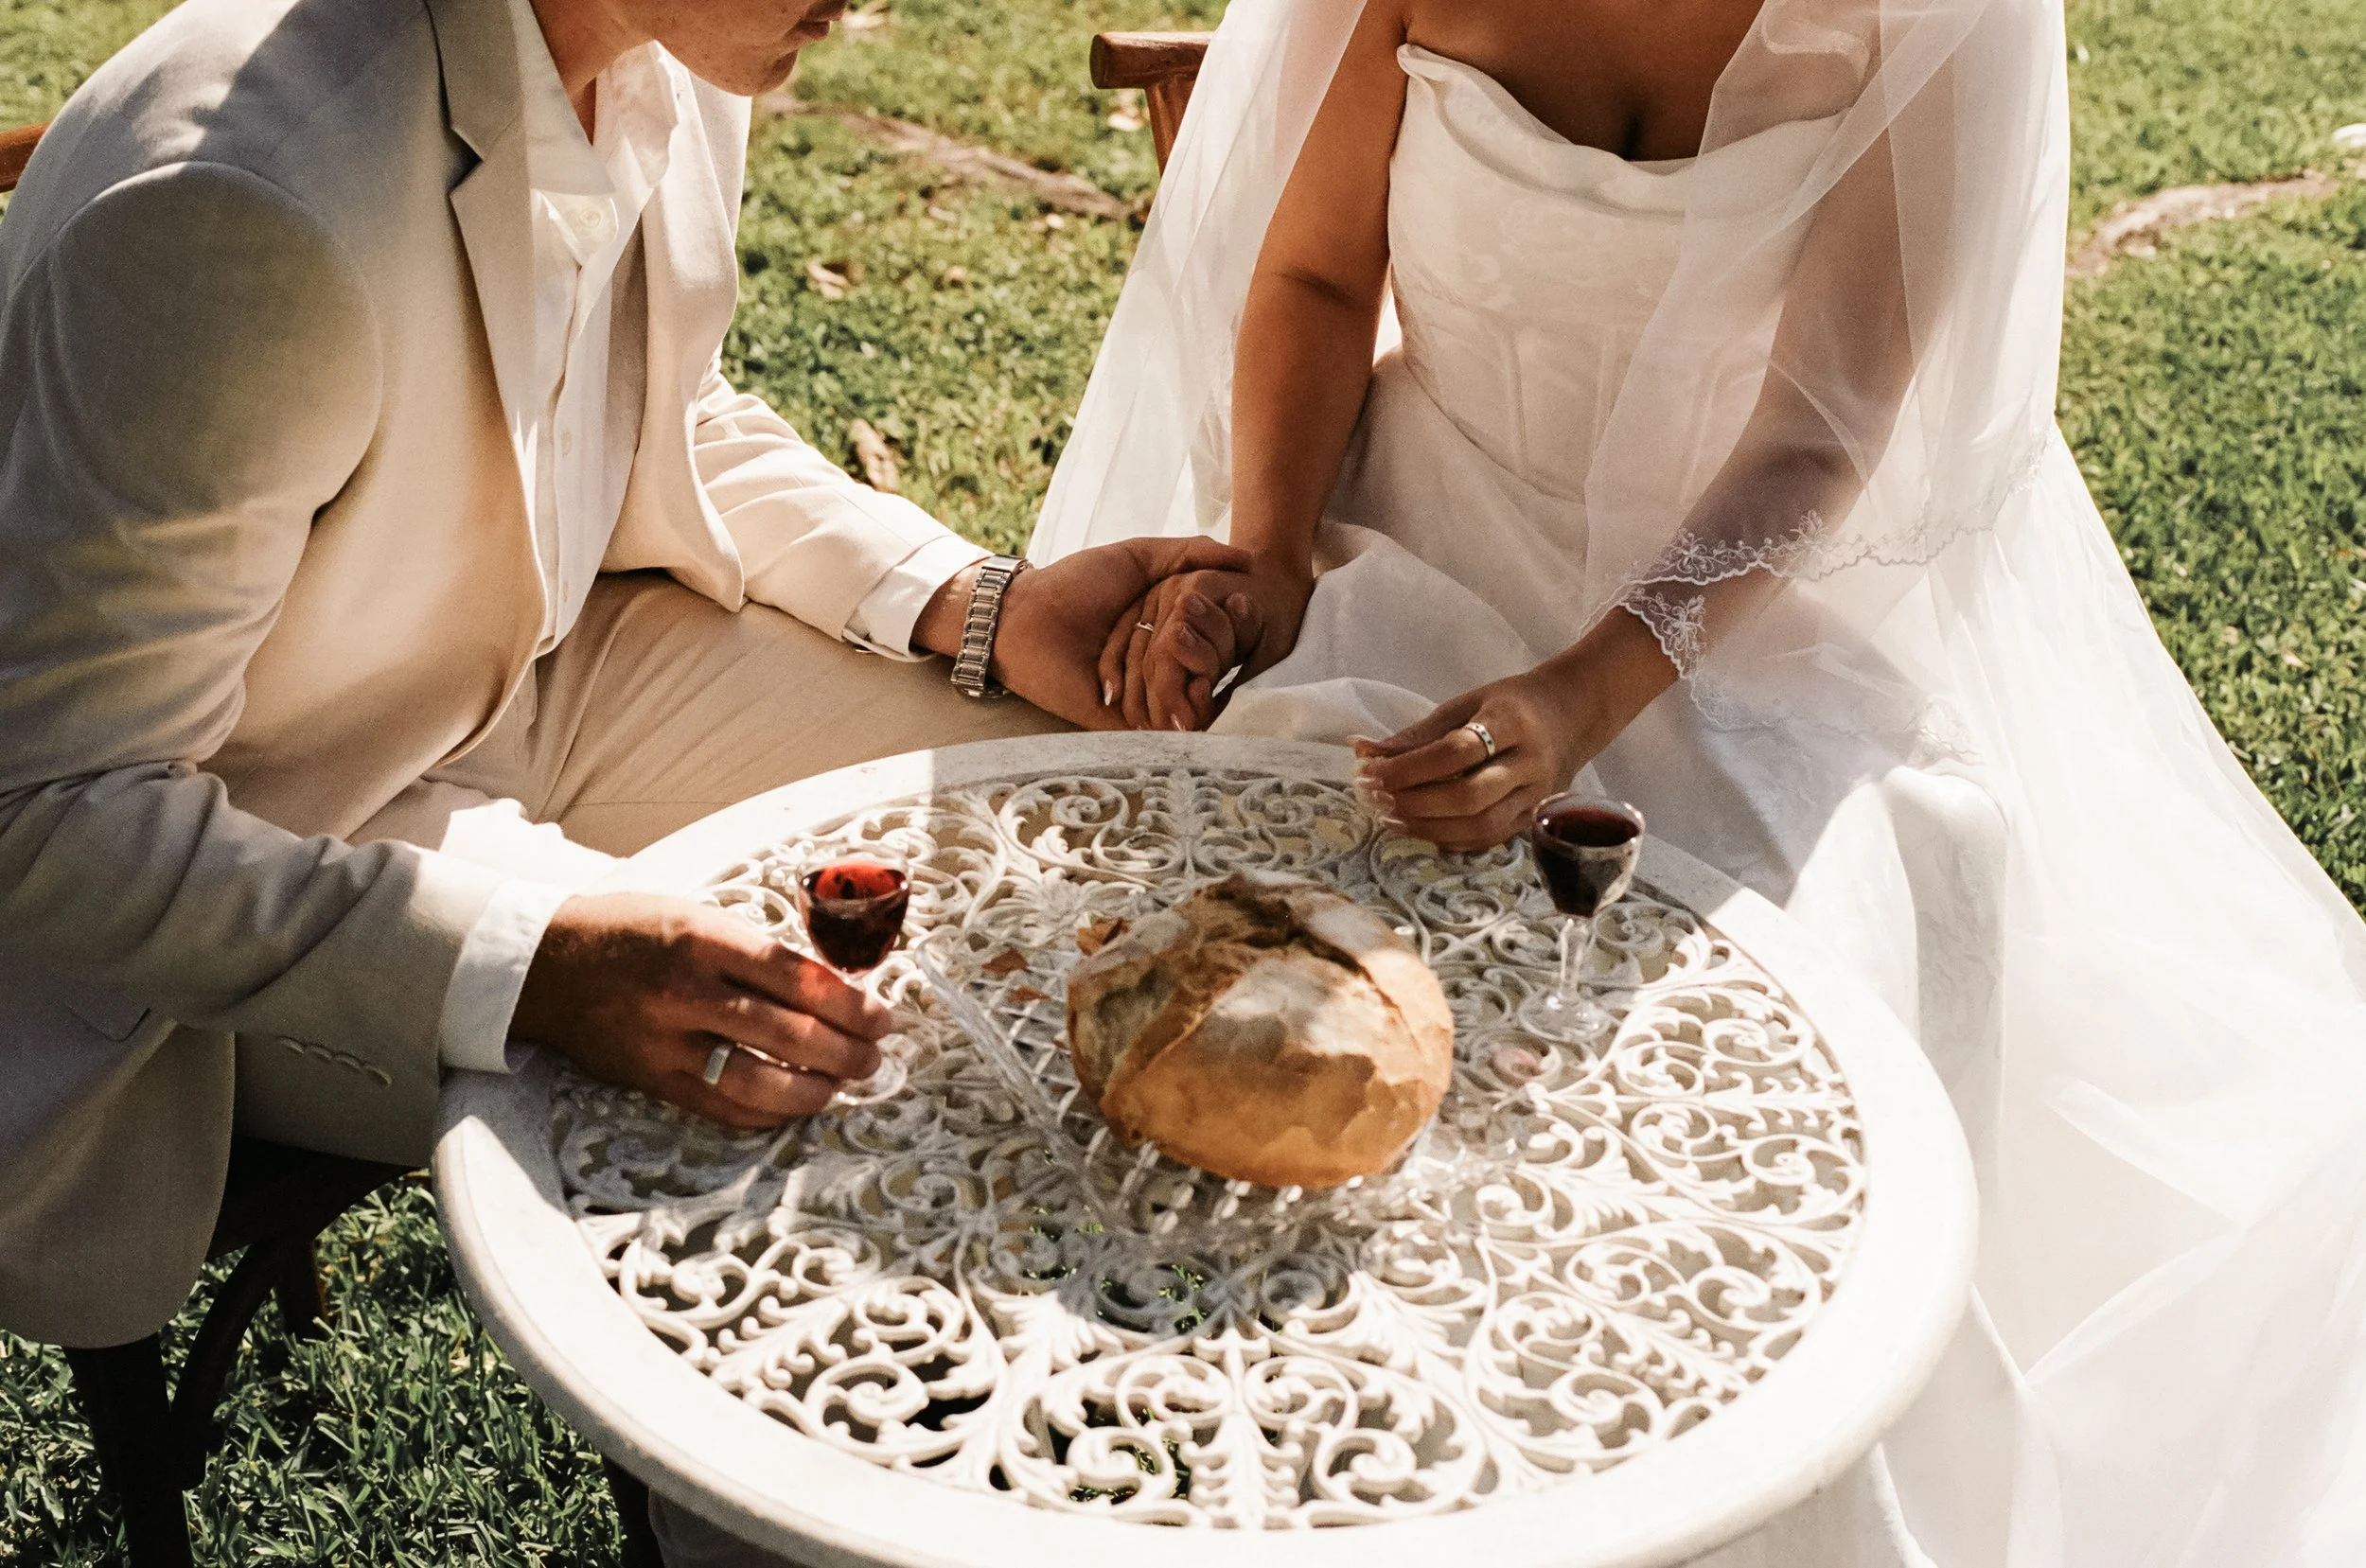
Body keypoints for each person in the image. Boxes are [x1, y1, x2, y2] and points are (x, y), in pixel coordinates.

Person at [1032, 0, 2366, 1560]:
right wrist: (1265, 553)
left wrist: (1580, 694)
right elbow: (1321, 272)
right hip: (1409, 538)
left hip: (1735, 624)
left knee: (1786, 996)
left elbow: (1819, 432)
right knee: (1260, 937)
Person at [0, 0, 1256, 1418]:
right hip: (236, 837)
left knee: (1063, 839)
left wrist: (975, 604)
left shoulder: (665, 45)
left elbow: (672, 409)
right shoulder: (242, 212)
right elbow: (46, 810)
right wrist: (530, 957)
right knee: (791, 1088)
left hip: (521, 662)